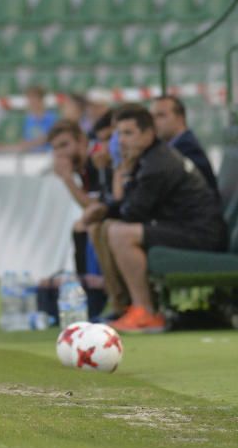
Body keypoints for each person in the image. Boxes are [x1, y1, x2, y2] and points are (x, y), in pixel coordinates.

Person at [81, 104, 227, 333]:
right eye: (119, 134)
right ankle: (123, 305)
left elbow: (133, 212)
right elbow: (129, 206)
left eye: (128, 133)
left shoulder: (158, 164)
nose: (121, 140)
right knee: (102, 226)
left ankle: (146, 312)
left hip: (201, 234)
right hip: (179, 228)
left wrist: (121, 177)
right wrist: (104, 210)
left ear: (149, 134)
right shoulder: (149, 158)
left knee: (121, 233)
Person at [46, 119, 108, 318]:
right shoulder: (83, 167)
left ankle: (99, 292)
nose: (61, 153)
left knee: (87, 225)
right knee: (81, 225)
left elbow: (96, 208)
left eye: (64, 145)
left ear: (81, 141)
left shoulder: (98, 160)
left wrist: (67, 179)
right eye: (56, 149)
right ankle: (89, 292)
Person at [151, 95, 216, 193]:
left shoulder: (186, 148)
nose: (154, 122)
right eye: (152, 117)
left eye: (161, 115)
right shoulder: (178, 145)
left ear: (180, 118)